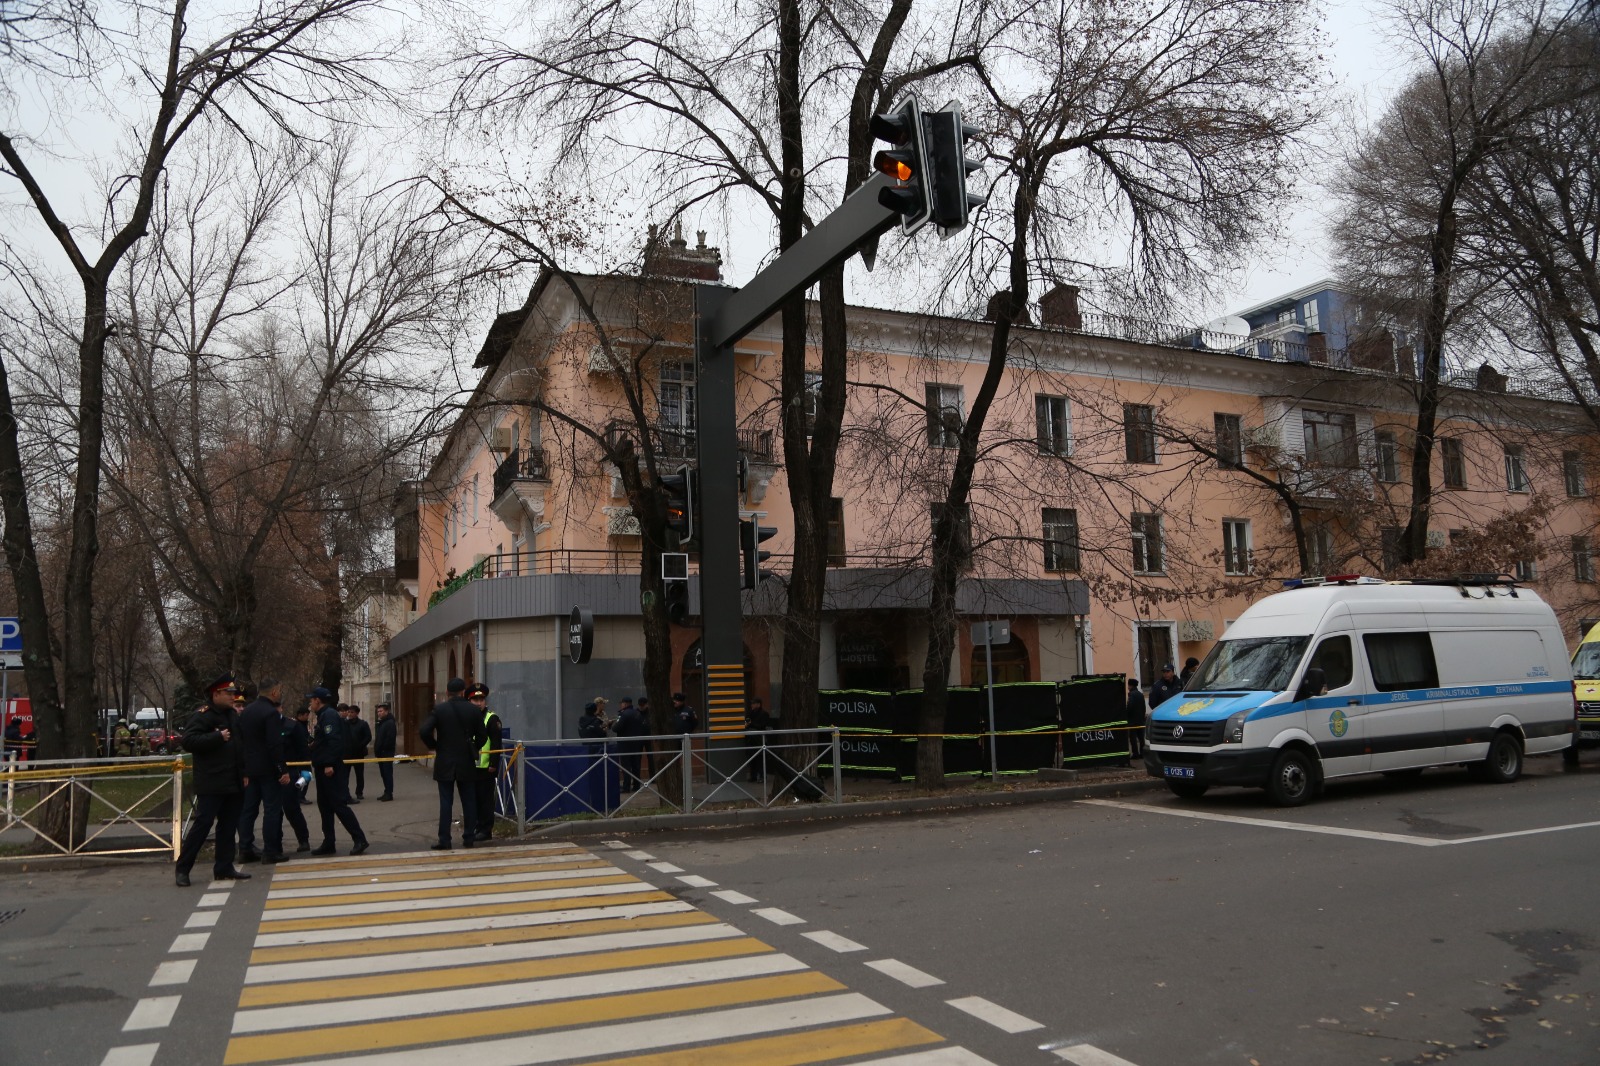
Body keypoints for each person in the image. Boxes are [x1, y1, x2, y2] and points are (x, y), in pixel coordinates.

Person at [174, 675, 250, 887]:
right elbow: (188, 740)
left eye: (233, 693)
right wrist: (216, 737)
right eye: (229, 693)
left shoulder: (231, 715)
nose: (233, 697)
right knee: (203, 825)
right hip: (211, 781)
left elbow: (239, 745)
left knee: (228, 826)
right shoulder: (203, 715)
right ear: (216, 694)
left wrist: (244, 773)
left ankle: (224, 867)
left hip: (232, 780)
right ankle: (183, 868)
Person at [419, 678, 486, 850]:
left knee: (445, 801)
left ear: (448, 692)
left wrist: (435, 746)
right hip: (466, 761)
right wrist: (473, 747)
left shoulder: (440, 710)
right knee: (469, 800)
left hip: (445, 760)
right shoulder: (473, 710)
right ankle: (469, 837)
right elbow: (483, 737)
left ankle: (445, 839)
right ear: (463, 692)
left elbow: (424, 731)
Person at [309, 687, 368, 856]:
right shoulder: (324, 715)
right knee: (325, 807)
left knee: (338, 805)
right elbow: (324, 741)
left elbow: (334, 741)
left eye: (311, 700)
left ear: (318, 700)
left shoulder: (328, 716)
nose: (310, 703)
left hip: (330, 769)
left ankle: (359, 839)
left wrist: (328, 763)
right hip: (323, 767)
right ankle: (329, 842)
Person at [236, 679, 290, 864]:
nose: (280, 693)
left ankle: (245, 849)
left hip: (250, 769)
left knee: (248, 811)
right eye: (279, 690)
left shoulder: (247, 711)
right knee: (272, 810)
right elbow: (274, 744)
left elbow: (241, 742)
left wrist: (243, 768)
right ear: (273, 692)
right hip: (268, 769)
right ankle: (270, 851)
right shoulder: (271, 713)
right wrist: (282, 769)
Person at [468, 682, 501, 842]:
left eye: (481, 700)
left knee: (485, 801)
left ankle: (485, 830)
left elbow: (496, 743)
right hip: (470, 767)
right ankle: (475, 827)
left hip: (486, 768)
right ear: (469, 701)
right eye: (475, 700)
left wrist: (493, 764)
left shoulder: (491, 718)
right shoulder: (467, 718)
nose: (479, 703)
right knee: (472, 800)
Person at [278, 699, 312, 851]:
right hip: (270, 773)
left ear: (281, 708)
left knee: (291, 808)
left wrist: (306, 773)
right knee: (273, 811)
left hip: (290, 772)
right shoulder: (263, 726)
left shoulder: (292, 726)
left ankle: (303, 839)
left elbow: (303, 751)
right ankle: (275, 842)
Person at [614, 696, 649, 790]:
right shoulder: (637, 713)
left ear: (625, 704)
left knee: (626, 765)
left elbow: (616, 728)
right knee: (635, 764)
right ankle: (636, 785)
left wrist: (613, 725)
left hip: (625, 744)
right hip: (636, 743)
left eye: (621, 703)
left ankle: (626, 786)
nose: (621, 705)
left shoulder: (623, 714)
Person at [345, 703, 372, 802]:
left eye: (352, 712)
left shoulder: (363, 724)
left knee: (359, 774)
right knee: (345, 775)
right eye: (349, 712)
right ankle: (345, 792)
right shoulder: (345, 723)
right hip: (347, 753)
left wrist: (360, 745)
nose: (349, 714)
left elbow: (368, 737)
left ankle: (359, 792)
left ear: (357, 713)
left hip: (359, 753)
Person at [744, 697, 774, 782]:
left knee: (760, 759)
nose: (752, 705)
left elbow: (762, 726)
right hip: (751, 739)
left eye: (753, 703)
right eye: (751, 703)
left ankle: (762, 777)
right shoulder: (750, 713)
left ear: (758, 704)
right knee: (752, 759)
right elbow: (747, 723)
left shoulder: (764, 714)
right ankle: (753, 776)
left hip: (759, 739)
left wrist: (751, 724)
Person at [373, 702, 397, 801]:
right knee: (383, 774)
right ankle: (386, 791)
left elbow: (389, 739)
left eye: (381, 711)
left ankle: (389, 793)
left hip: (386, 753)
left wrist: (383, 749)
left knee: (387, 773)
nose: (379, 713)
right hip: (381, 753)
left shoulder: (390, 723)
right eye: (378, 711)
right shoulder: (382, 722)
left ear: (387, 711)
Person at [1124, 678, 1148, 763]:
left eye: (1128, 685)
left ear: (1130, 685)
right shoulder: (1140, 694)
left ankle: (1135, 754)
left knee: (1133, 738)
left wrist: (1126, 714)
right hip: (1140, 719)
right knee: (1141, 738)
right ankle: (1142, 753)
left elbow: (1130, 707)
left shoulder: (1131, 694)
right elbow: (1144, 707)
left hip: (1132, 720)